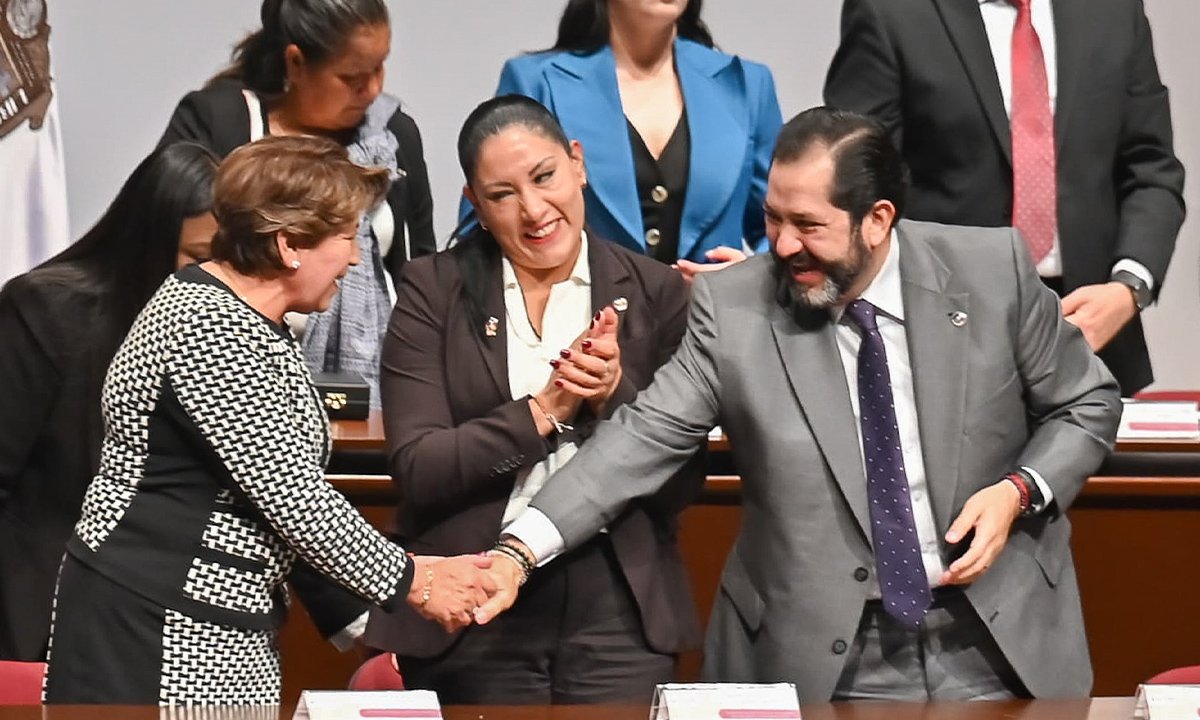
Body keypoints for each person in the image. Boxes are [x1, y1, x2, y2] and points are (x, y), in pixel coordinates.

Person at [476, 107, 1123, 702]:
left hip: (997, 642)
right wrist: (518, 550)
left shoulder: (991, 271)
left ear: (877, 220)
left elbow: (1086, 402)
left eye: (808, 226)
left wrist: (1019, 490)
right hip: (829, 659)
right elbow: (639, 438)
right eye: (773, 220)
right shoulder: (734, 309)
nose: (783, 246)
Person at [42, 136, 491, 705]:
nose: (355, 259)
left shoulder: (242, 317)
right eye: (347, 237)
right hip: (157, 627)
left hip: (207, 621)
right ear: (288, 246)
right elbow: (290, 496)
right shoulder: (209, 326)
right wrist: (415, 582)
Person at [362, 95, 703, 704]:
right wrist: (542, 412)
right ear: (475, 205)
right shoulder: (432, 290)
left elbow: (682, 483)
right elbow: (419, 468)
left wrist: (612, 397)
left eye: (545, 177)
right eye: (502, 195)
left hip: (617, 601)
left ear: (578, 164)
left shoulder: (656, 293)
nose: (534, 209)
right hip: (473, 594)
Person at [822, 0, 1186, 396]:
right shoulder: (891, 11)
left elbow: (1151, 170)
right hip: (941, 336)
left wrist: (1129, 289)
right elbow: (855, 182)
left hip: (1092, 332)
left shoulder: (1112, 11)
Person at [0, 141, 218, 662]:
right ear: (148, 241)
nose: (211, 282)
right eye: (197, 260)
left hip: (159, 613)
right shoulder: (47, 309)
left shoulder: (213, 330)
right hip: (41, 608)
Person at [158, 0, 437, 406]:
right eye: (352, 77)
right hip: (227, 380)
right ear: (296, 62)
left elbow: (418, 272)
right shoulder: (219, 125)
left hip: (374, 396)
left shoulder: (393, 137)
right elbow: (169, 250)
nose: (374, 89)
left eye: (380, 67)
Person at [473, 0, 782, 281]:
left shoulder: (744, 84)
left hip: (717, 331)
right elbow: (484, 225)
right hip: (584, 331)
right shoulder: (538, 82)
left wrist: (750, 277)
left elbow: (784, 223)